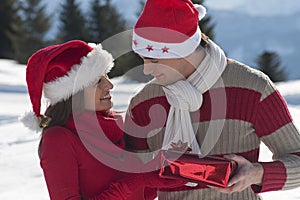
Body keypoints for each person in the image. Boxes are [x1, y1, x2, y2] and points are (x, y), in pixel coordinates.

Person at [124, 0, 300, 199]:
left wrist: (256, 173)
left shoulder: (253, 88)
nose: (146, 70)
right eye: (143, 59)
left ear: (185, 50)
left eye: (154, 59)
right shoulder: (143, 102)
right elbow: (130, 180)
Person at [20, 40, 185, 200]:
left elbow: (137, 193)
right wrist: (135, 181)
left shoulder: (117, 126)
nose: (109, 85)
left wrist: (160, 173)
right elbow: (130, 186)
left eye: (106, 75)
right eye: (98, 81)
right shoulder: (59, 138)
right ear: (73, 94)